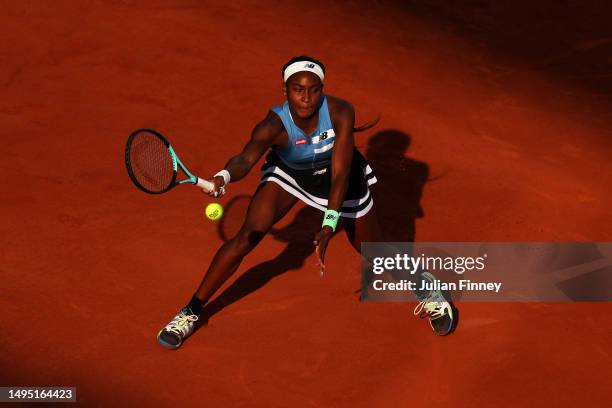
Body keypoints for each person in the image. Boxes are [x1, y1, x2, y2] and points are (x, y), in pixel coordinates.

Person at [157, 56, 456, 349]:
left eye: (314, 89)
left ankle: (427, 286)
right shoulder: (273, 125)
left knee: (374, 252)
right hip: (292, 175)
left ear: (322, 89)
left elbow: (340, 175)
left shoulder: (340, 112)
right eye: (298, 89)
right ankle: (191, 311)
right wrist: (223, 177)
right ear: (285, 90)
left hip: (342, 180)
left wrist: (329, 223)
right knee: (247, 237)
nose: (306, 97)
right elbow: (245, 158)